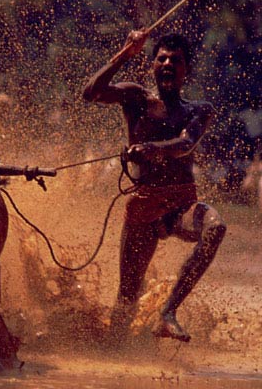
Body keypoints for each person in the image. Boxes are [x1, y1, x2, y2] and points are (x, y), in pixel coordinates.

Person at [82, 30, 227, 343]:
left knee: (215, 227)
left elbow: (185, 144)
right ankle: (113, 352)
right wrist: (125, 53)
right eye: (161, 59)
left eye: (175, 60)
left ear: (186, 69)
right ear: (152, 66)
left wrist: (151, 149)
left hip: (181, 205)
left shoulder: (198, 110)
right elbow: (91, 93)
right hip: (143, 207)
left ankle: (168, 312)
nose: (167, 64)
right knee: (126, 298)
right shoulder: (135, 98)